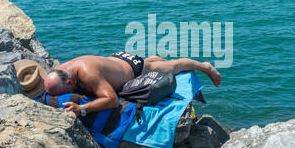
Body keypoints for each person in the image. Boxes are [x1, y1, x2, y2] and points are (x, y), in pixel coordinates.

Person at [44, 52, 222, 116]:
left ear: (69, 81)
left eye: (63, 93)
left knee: (172, 66)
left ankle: (205, 67)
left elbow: (112, 100)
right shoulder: (62, 69)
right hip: (116, 60)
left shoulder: (88, 75)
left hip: (132, 68)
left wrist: (82, 109)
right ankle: (154, 60)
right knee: (153, 63)